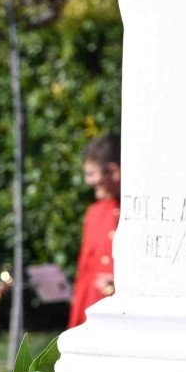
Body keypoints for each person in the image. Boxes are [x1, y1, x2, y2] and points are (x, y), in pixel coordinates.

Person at [69, 133, 120, 328]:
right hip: (92, 316)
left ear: (114, 171)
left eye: (92, 174)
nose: (89, 182)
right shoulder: (95, 213)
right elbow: (84, 275)